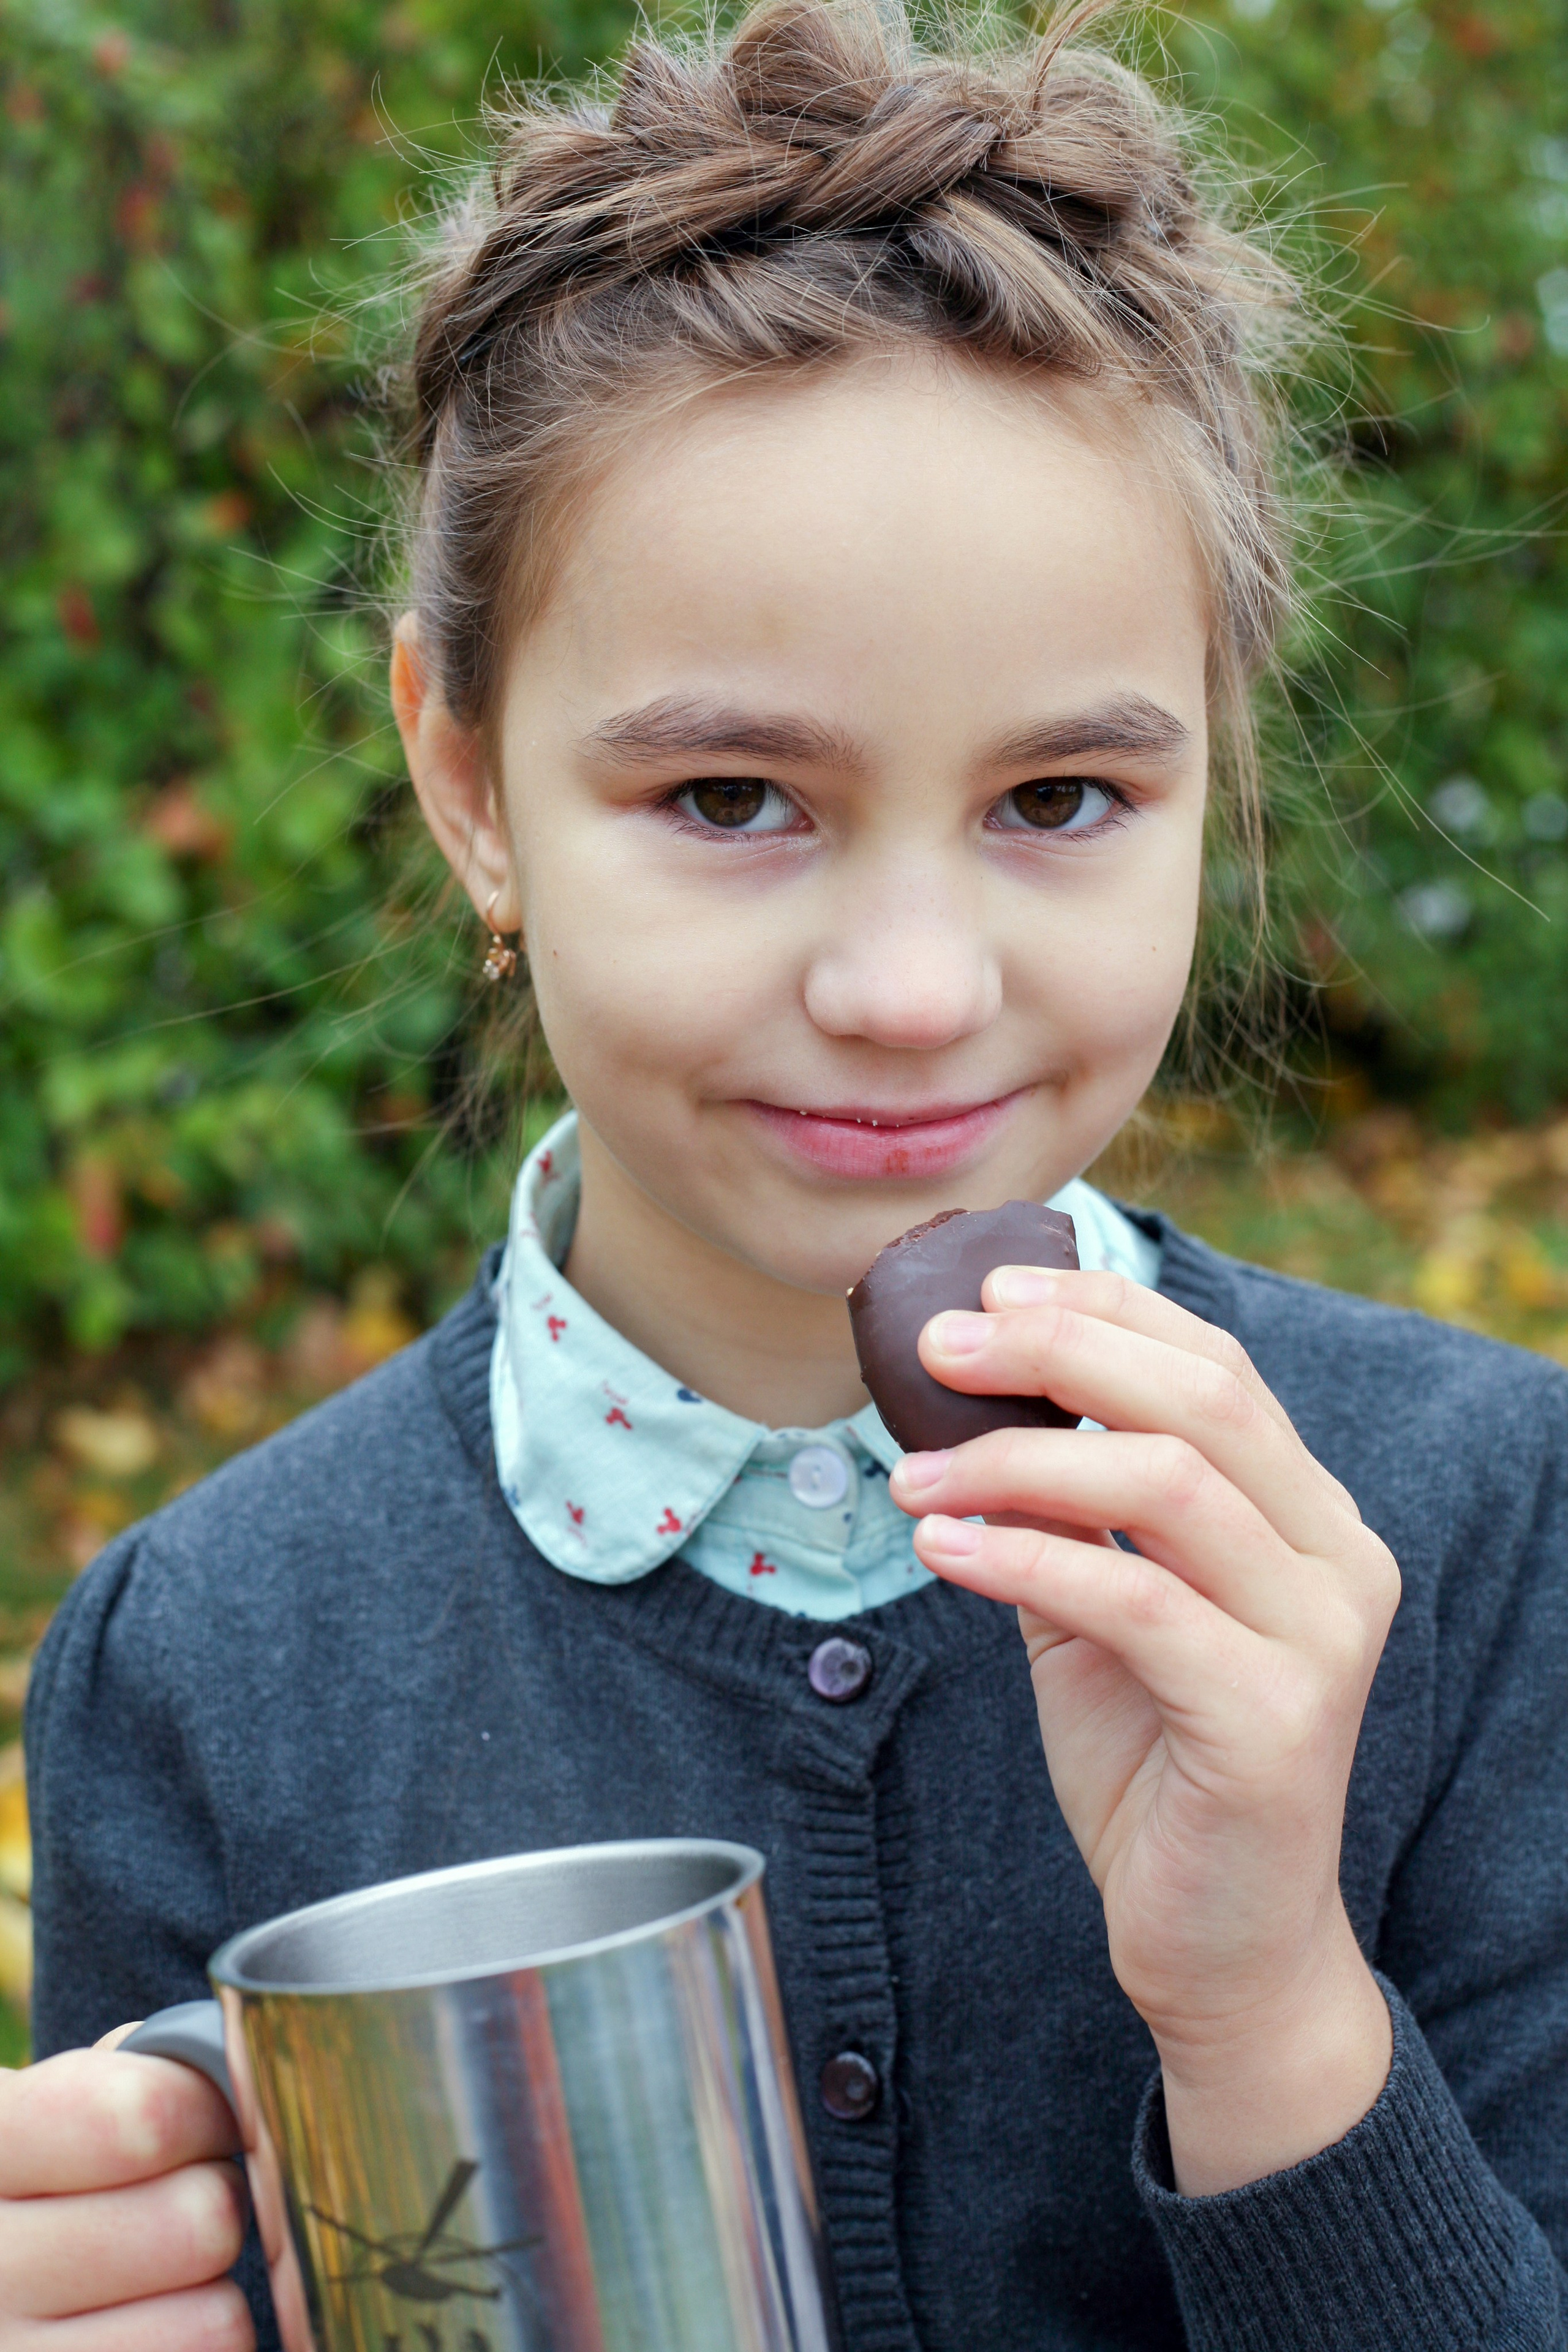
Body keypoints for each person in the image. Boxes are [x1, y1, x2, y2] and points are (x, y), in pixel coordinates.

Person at [5, 1, 1566, 2345]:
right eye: (733, 799)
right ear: (463, 781)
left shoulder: (1479, 1536)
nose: (917, 989)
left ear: (1212, 771)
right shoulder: (199, 1669)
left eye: (1060, 800)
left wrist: (1270, 2017)